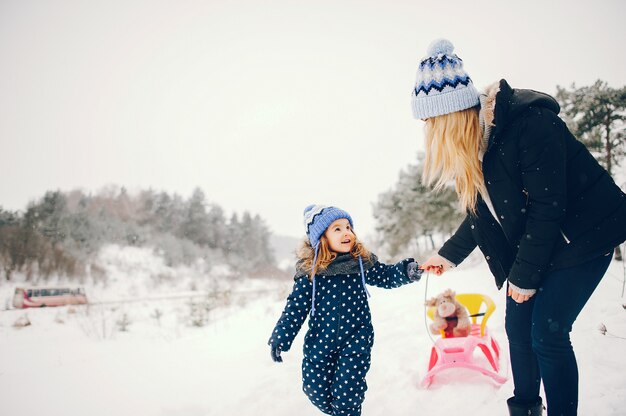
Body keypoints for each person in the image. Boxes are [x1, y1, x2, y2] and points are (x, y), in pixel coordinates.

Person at [412, 39, 626, 416]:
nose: (429, 131)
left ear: (451, 115)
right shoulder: (478, 146)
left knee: (547, 333)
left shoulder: (529, 125)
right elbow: (482, 212)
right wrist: (447, 256)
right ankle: (525, 409)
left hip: (585, 235)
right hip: (544, 241)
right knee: (518, 329)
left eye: (431, 122)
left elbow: (548, 207)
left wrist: (524, 277)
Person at [268, 204, 423, 416]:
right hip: (320, 342)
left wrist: (405, 271)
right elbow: (295, 308)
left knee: (348, 395)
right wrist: (281, 337)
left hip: (356, 338)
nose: (347, 232)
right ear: (322, 237)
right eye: (338, 229)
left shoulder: (360, 262)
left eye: (348, 227)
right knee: (315, 390)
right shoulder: (310, 273)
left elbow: (386, 276)